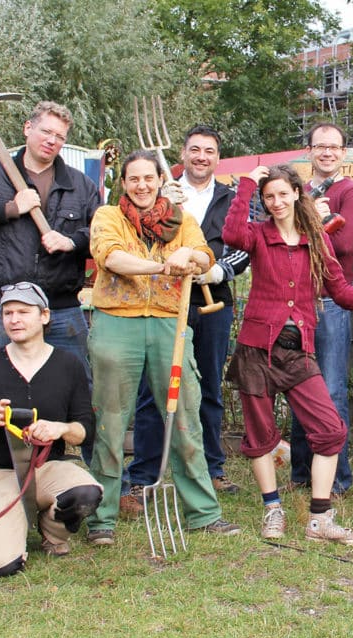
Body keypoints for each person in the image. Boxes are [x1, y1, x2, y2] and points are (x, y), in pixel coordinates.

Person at [221, 164, 353, 545]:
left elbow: (341, 292)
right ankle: (273, 509)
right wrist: (245, 184)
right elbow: (231, 233)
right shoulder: (258, 235)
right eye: (268, 196)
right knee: (260, 436)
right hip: (256, 350)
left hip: (298, 353)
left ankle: (319, 519)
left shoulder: (317, 241)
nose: (276, 203)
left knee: (330, 429)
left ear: (296, 194)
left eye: (282, 194)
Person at [0, 101, 100, 525]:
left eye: (60, 137)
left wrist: (71, 242)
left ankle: (88, 484)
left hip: (61, 305)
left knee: (80, 388)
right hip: (3, 303)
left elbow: (99, 233)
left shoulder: (81, 185)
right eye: (46, 132)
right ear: (28, 129)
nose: (52, 141)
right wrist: (9, 207)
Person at [84, 149, 239, 544]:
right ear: (123, 183)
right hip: (118, 322)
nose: (141, 186)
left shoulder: (180, 219)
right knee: (112, 420)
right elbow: (111, 257)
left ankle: (203, 512)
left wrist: (191, 254)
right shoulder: (108, 217)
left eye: (148, 178)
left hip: (170, 321)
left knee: (185, 413)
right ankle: (102, 517)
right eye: (133, 179)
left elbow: (205, 255)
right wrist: (163, 265)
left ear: (159, 179)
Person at [122, 125, 249, 518]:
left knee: (208, 386)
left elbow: (244, 247)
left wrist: (216, 272)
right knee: (152, 388)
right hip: (161, 299)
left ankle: (211, 468)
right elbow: (138, 238)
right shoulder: (158, 191)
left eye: (209, 151)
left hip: (212, 301)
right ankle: (144, 472)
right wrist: (164, 211)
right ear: (182, 153)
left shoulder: (230, 199)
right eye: (194, 150)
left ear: (217, 157)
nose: (201, 157)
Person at [0, 282, 102, 577]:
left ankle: (53, 531)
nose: (14, 319)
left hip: (48, 467)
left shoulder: (69, 365)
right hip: (1, 472)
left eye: (23, 311)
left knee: (86, 493)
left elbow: (84, 429)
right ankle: (4, 529)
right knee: (0, 566)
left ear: (44, 316)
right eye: (8, 313)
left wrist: (60, 429)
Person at [285, 123, 353, 496]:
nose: (327, 153)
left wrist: (309, 226)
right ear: (309, 151)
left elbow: (346, 244)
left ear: (344, 152)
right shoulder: (295, 191)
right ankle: (301, 473)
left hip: (331, 303)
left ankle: (337, 479)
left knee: (333, 390)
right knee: (297, 386)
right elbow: (280, 240)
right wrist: (318, 227)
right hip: (295, 304)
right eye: (320, 146)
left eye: (334, 147)